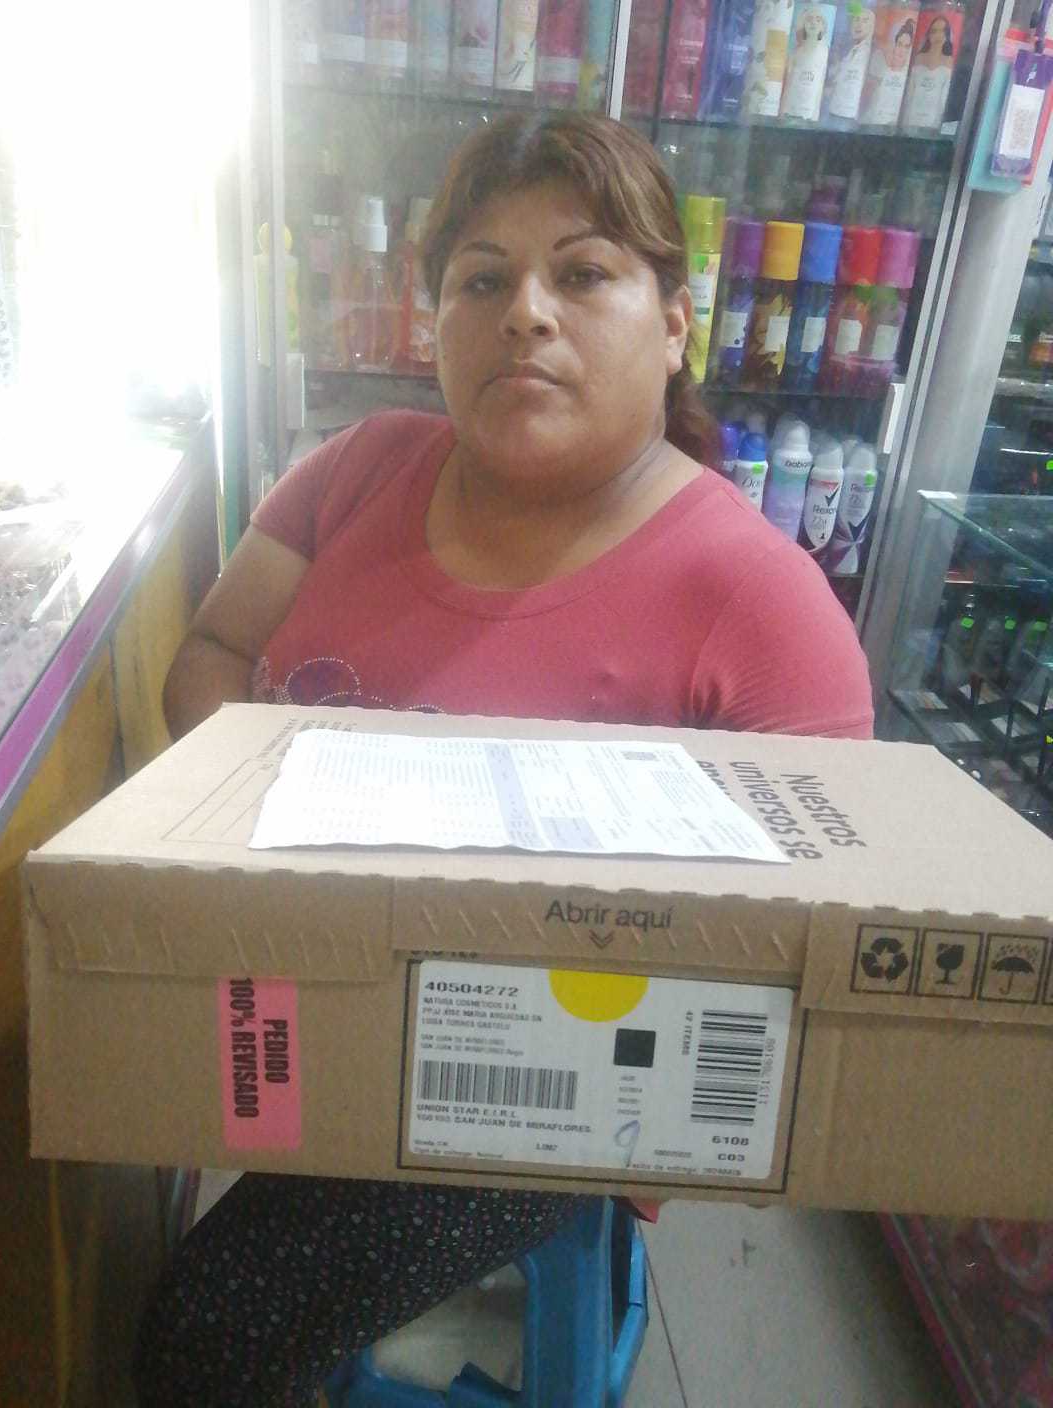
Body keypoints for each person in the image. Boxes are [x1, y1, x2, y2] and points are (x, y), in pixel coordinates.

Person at [136, 110, 873, 1407]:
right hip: (297, 987)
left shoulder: (763, 606)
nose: (525, 311)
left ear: (676, 324)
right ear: (436, 326)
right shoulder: (359, 470)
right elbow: (211, 651)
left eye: (582, 273)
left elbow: (813, 955)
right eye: (482, 281)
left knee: (207, 1331)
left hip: (543, 1099)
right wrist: (275, 811)